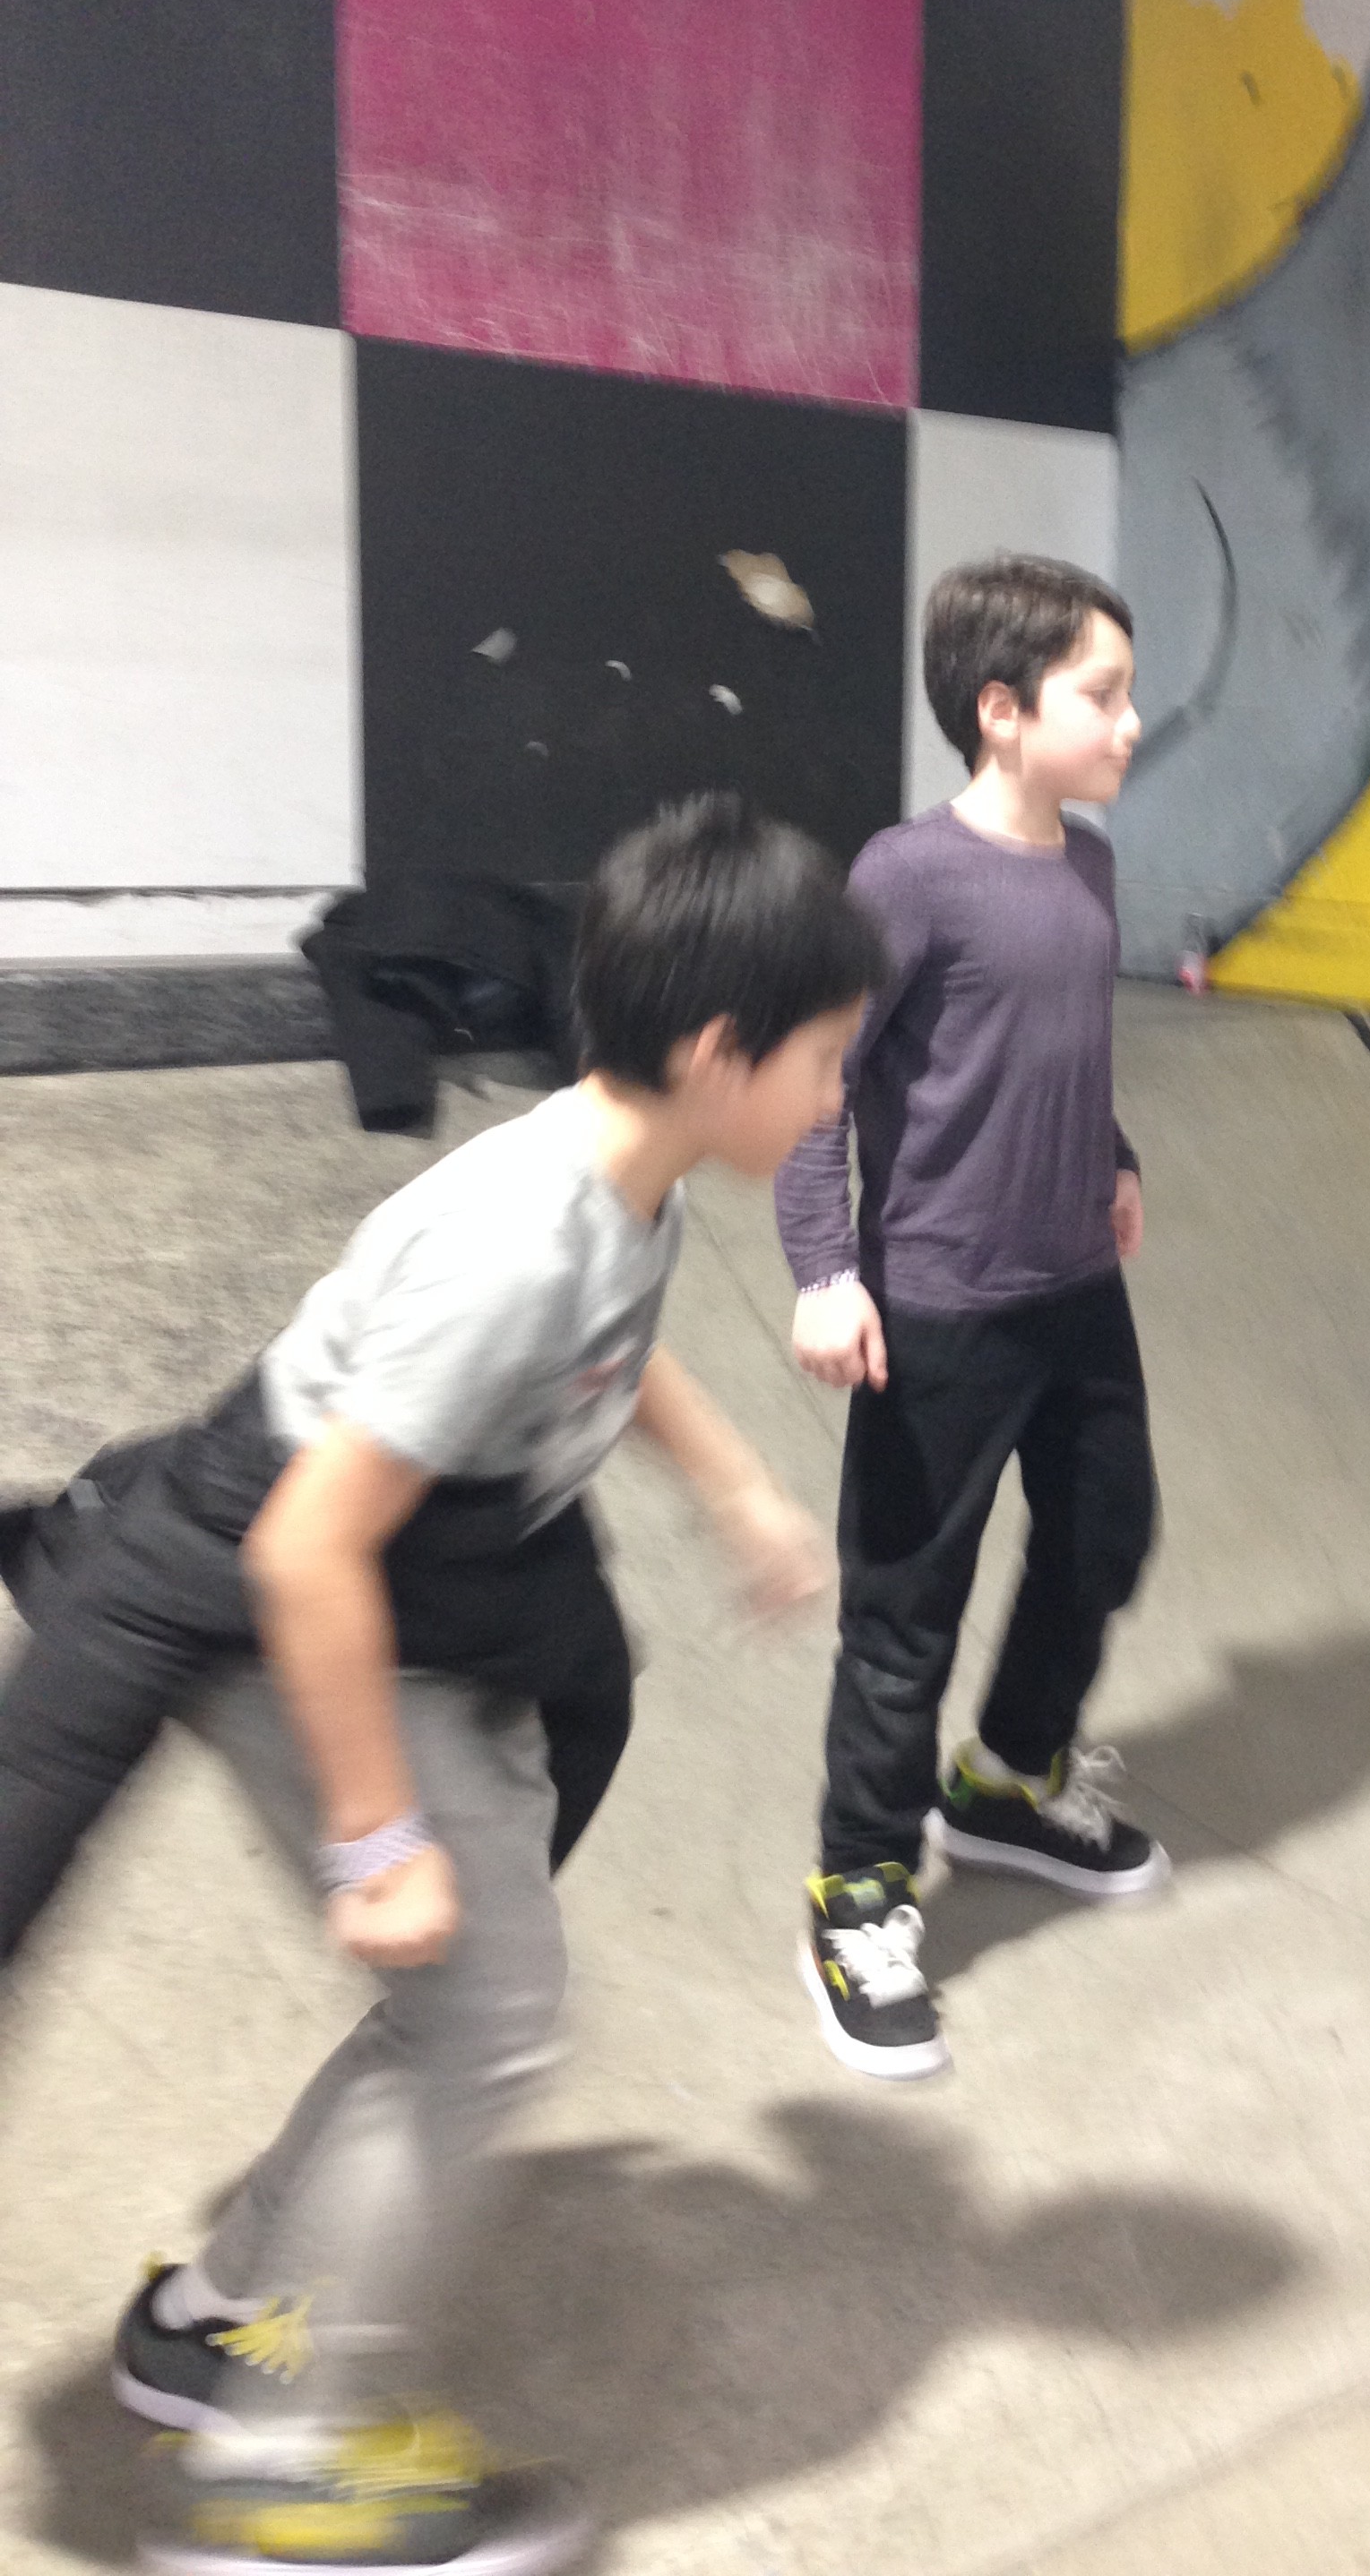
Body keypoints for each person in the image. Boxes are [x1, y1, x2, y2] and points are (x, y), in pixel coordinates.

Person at [11, 793, 883, 2574]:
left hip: (407, 1595)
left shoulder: (620, 1172)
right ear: (719, 1053)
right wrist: (375, 1837)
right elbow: (305, 1550)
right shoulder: (520, 1237)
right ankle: (287, 2465)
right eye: (824, 1065)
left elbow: (606, 1358)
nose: (836, 1102)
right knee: (488, 2014)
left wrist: (734, 1488)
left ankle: (219, 2325)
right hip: (304, 1612)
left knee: (468, 2009)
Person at [776, 555, 1168, 2084]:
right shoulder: (907, 878)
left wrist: (1111, 1155)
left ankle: (1003, 1781)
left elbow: (1060, 1044)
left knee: (1105, 1536)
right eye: (1102, 695)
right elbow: (819, 1079)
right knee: (904, 1616)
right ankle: (860, 1892)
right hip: (936, 1311)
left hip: (1077, 1291)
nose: (1131, 723)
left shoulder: (1091, 866)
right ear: (1001, 711)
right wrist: (825, 1268)